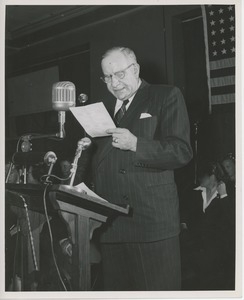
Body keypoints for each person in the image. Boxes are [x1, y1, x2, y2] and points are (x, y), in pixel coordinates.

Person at [89, 46, 193, 290]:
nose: (114, 83)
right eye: (108, 77)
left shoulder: (165, 95)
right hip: (111, 227)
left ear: (135, 69)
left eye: (120, 74)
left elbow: (181, 151)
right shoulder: (101, 110)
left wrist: (136, 144)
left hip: (151, 225)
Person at [180, 161, 234, 290]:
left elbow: (232, 221)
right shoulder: (194, 192)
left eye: (202, 175)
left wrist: (224, 195)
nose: (199, 178)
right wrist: (184, 225)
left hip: (219, 253)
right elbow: (185, 214)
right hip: (196, 250)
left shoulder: (229, 192)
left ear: (212, 177)